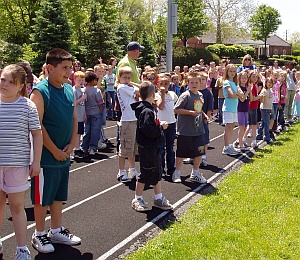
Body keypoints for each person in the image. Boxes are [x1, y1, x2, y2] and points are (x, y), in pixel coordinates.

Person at [30, 48, 81, 254]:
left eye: (70, 67)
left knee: (59, 195)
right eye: (64, 68)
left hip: (64, 154)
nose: (69, 72)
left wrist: (72, 142)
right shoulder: (40, 92)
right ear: (50, 68)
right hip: (46, 157)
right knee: (43, 198)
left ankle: (56, 230)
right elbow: (37, 125)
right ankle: (39, 233)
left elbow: (74, 117)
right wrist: (54, 150)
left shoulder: (68, 88)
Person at [0, 64, 42, 260]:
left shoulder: (27, 106)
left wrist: (36, 161)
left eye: (11, 82)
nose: (5, 84)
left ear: (20, 86)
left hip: (17, 163)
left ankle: (21, 247)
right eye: (3, 80)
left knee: (16, 206)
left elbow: (36, 134)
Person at [130, 81, 173, 212]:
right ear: (153, 94)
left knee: (157, 171)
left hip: (154, 146)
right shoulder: (147, 111)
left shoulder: (149, 109)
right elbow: (147, 129)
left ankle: (158, 197)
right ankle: (137, 198)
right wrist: (160, 126)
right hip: (148, 147)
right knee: (146, 172)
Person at [172, 72, 209, 184]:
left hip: (198, 129)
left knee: (199, 152)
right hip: (185, 130)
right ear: (187, 83)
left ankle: (195, 172)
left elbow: (199, 109)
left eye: (196, 82)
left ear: (200, 83)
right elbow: (176, 109)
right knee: (181, 153)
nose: (194, 84)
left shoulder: (200, 95)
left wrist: (204, 115)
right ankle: (177, 172)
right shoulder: (185, 95)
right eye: (191, 82)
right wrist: (190, 113)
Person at [116, 66, 140, 182]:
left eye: (129, 78)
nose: (127, 80)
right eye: (124, 77)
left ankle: (132, 169)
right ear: (119, 77)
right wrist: (134, 84)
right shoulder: (121, 87)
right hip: (127, 120)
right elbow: (142, 90)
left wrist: (132, 83)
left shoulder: (128, 86)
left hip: (134, 119)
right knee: (125, 148)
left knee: (133, 148)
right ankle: (121, 171)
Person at [155, 75, 178, 177]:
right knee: (161, 148)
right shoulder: (156, 95)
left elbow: (177, 105)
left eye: (166, 84)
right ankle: (161, 169)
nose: (164, 86)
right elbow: (161, 106)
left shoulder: (173, 94)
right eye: (162, 84)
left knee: (170, 148)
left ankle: (171, 168)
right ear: (158, 85)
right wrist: (163, 94)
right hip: (161, 124)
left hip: (171, 123)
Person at [222, 64, 244, 155]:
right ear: (227, 72)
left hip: (234, 108)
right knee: (228, 127)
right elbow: (231, 94)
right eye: (230, 71)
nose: (232, 73)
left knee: (232, 127)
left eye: (234, 71)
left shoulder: (234, 84)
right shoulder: (226, 82)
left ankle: (230, 145)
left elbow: (241, 95)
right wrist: (237, 94)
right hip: (228, 108)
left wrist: (237, 94)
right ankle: (226, 147)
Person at [80, 71, 104, 156]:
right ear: (93, 80)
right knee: (95, 131)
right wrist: (100, 112)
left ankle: (84, 147)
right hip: (95, 113)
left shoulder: (83, 90)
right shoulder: (97, 91)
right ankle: (93, 148)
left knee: (87, 131)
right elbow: (100, 104)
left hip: (86, 113)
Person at [198, 72, 213, 166]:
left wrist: (206, 118)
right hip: (193, 119)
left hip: (203, 119)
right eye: (200, 79)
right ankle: (193, 156)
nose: (201, 81)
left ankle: (203, 157)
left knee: (204, 138)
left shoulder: (208, 93)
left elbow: (209, 108)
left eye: (203, 79)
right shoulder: (194, 91)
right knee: (195, 138)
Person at [233, 71, 251, 151]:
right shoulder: (239, 87)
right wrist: (247, 91)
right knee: (241, 126)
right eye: (242, 78)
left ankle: (239, 140)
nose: (244, 80)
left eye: (245, 78)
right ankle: (240, 144)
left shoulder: (247, 87)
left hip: (246, 109)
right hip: (240, 108)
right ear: (239, 79)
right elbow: (242, 99)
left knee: (244, 127)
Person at [245, 71, 262, 148]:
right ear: (250, 77)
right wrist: (260, 96)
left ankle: (243, 138)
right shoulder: (251, 86)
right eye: (253, 77)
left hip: (254, 106)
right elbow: (252, 99)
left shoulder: (255, 85)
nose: (255, 78)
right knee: (254, 125)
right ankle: (254, 141)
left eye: (256, 77)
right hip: (252, 107)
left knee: (251, 125)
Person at [73, 71, 86, 158]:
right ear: (74, 80)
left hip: (81, 115)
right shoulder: (74, 90)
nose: (81, 82)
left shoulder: (82, 90)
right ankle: (76, 149)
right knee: (77, 133)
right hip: (76, 115)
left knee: (80, 132)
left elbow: (84, 104)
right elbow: (74, 103)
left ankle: (78, 147)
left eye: (82, 80)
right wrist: (82, 98)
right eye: (79, 80)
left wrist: (84, 114)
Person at [256, 78, 274, 143]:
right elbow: (261, 99)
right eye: (268, 82)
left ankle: (259, 134)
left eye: (270, 83)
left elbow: (270, 101)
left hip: (268, 108)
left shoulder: (270, 91)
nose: (269, 84)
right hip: (264, 108)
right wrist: (261, 98)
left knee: (264, 122)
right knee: (267, 123)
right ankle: (267, 137)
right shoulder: (264, 91)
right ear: (265, 83)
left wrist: (271, 108)